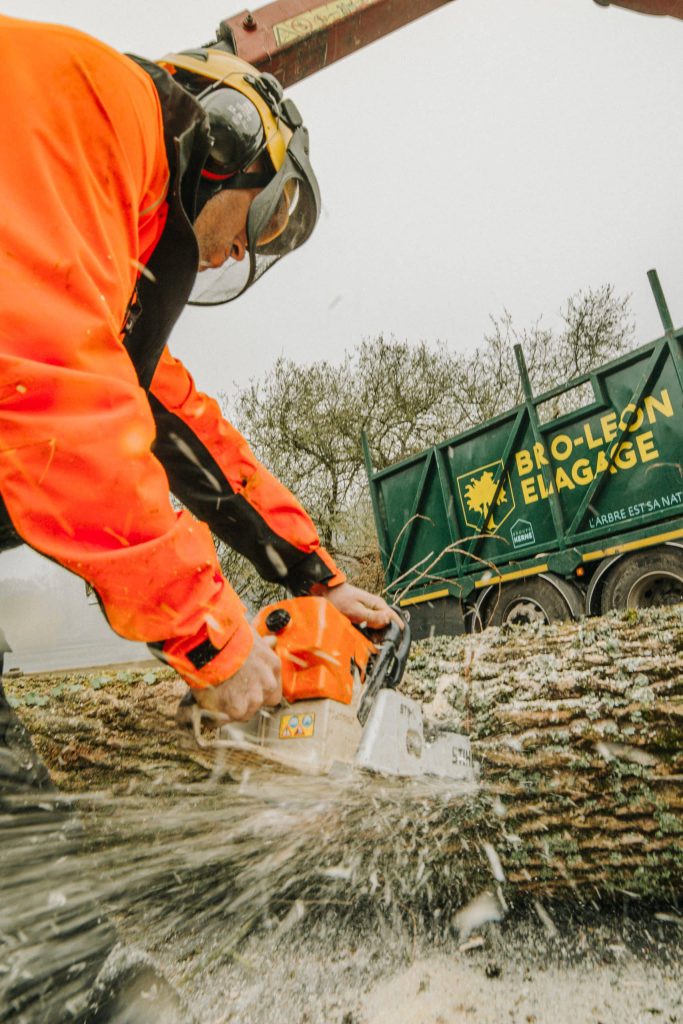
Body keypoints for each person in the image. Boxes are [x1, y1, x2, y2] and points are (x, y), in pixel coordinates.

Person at [0, 14, 398, 1022]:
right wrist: (209, 631)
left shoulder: (90, 184)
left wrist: (310, 575)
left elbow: (165, 412)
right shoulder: (69, 121)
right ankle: (79, 997)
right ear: (225, 143)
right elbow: (55, 408)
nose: (227, 263)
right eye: (256, 226)